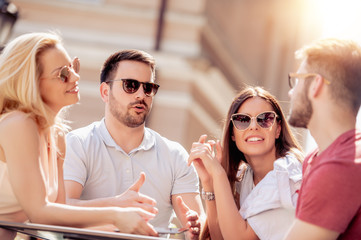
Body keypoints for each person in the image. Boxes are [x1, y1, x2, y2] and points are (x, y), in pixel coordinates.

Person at [0, 32, 161, 240]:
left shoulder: (55, 134)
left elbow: (59, 210)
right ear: (32, 82)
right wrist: (115, 215)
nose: (76, 77)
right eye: (63, 73)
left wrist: (117, 204)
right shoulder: (18, 124)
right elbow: (40, 213)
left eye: (74, 67)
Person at [63, 49, 204, 239]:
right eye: (130, 85)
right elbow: (62, 208)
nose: (141, 95)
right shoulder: (78, 144)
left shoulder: (175, 155)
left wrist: (195, 231)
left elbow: (196, 226)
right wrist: (116, 204)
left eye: (148, 88)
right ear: (105, 92)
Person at [188, 86, 304, 240]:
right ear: (232, 134)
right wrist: (209, 183)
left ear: (278, 129)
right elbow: (220, 238)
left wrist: (219, 174)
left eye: (265, 119)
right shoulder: (245, 177)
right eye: (242, 120)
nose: (254, 126)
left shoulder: (287, 172)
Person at [285, 39, 361, 239]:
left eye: (297, 80)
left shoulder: (341, 166)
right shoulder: (315, 159)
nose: (290, 92)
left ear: (315, 84)